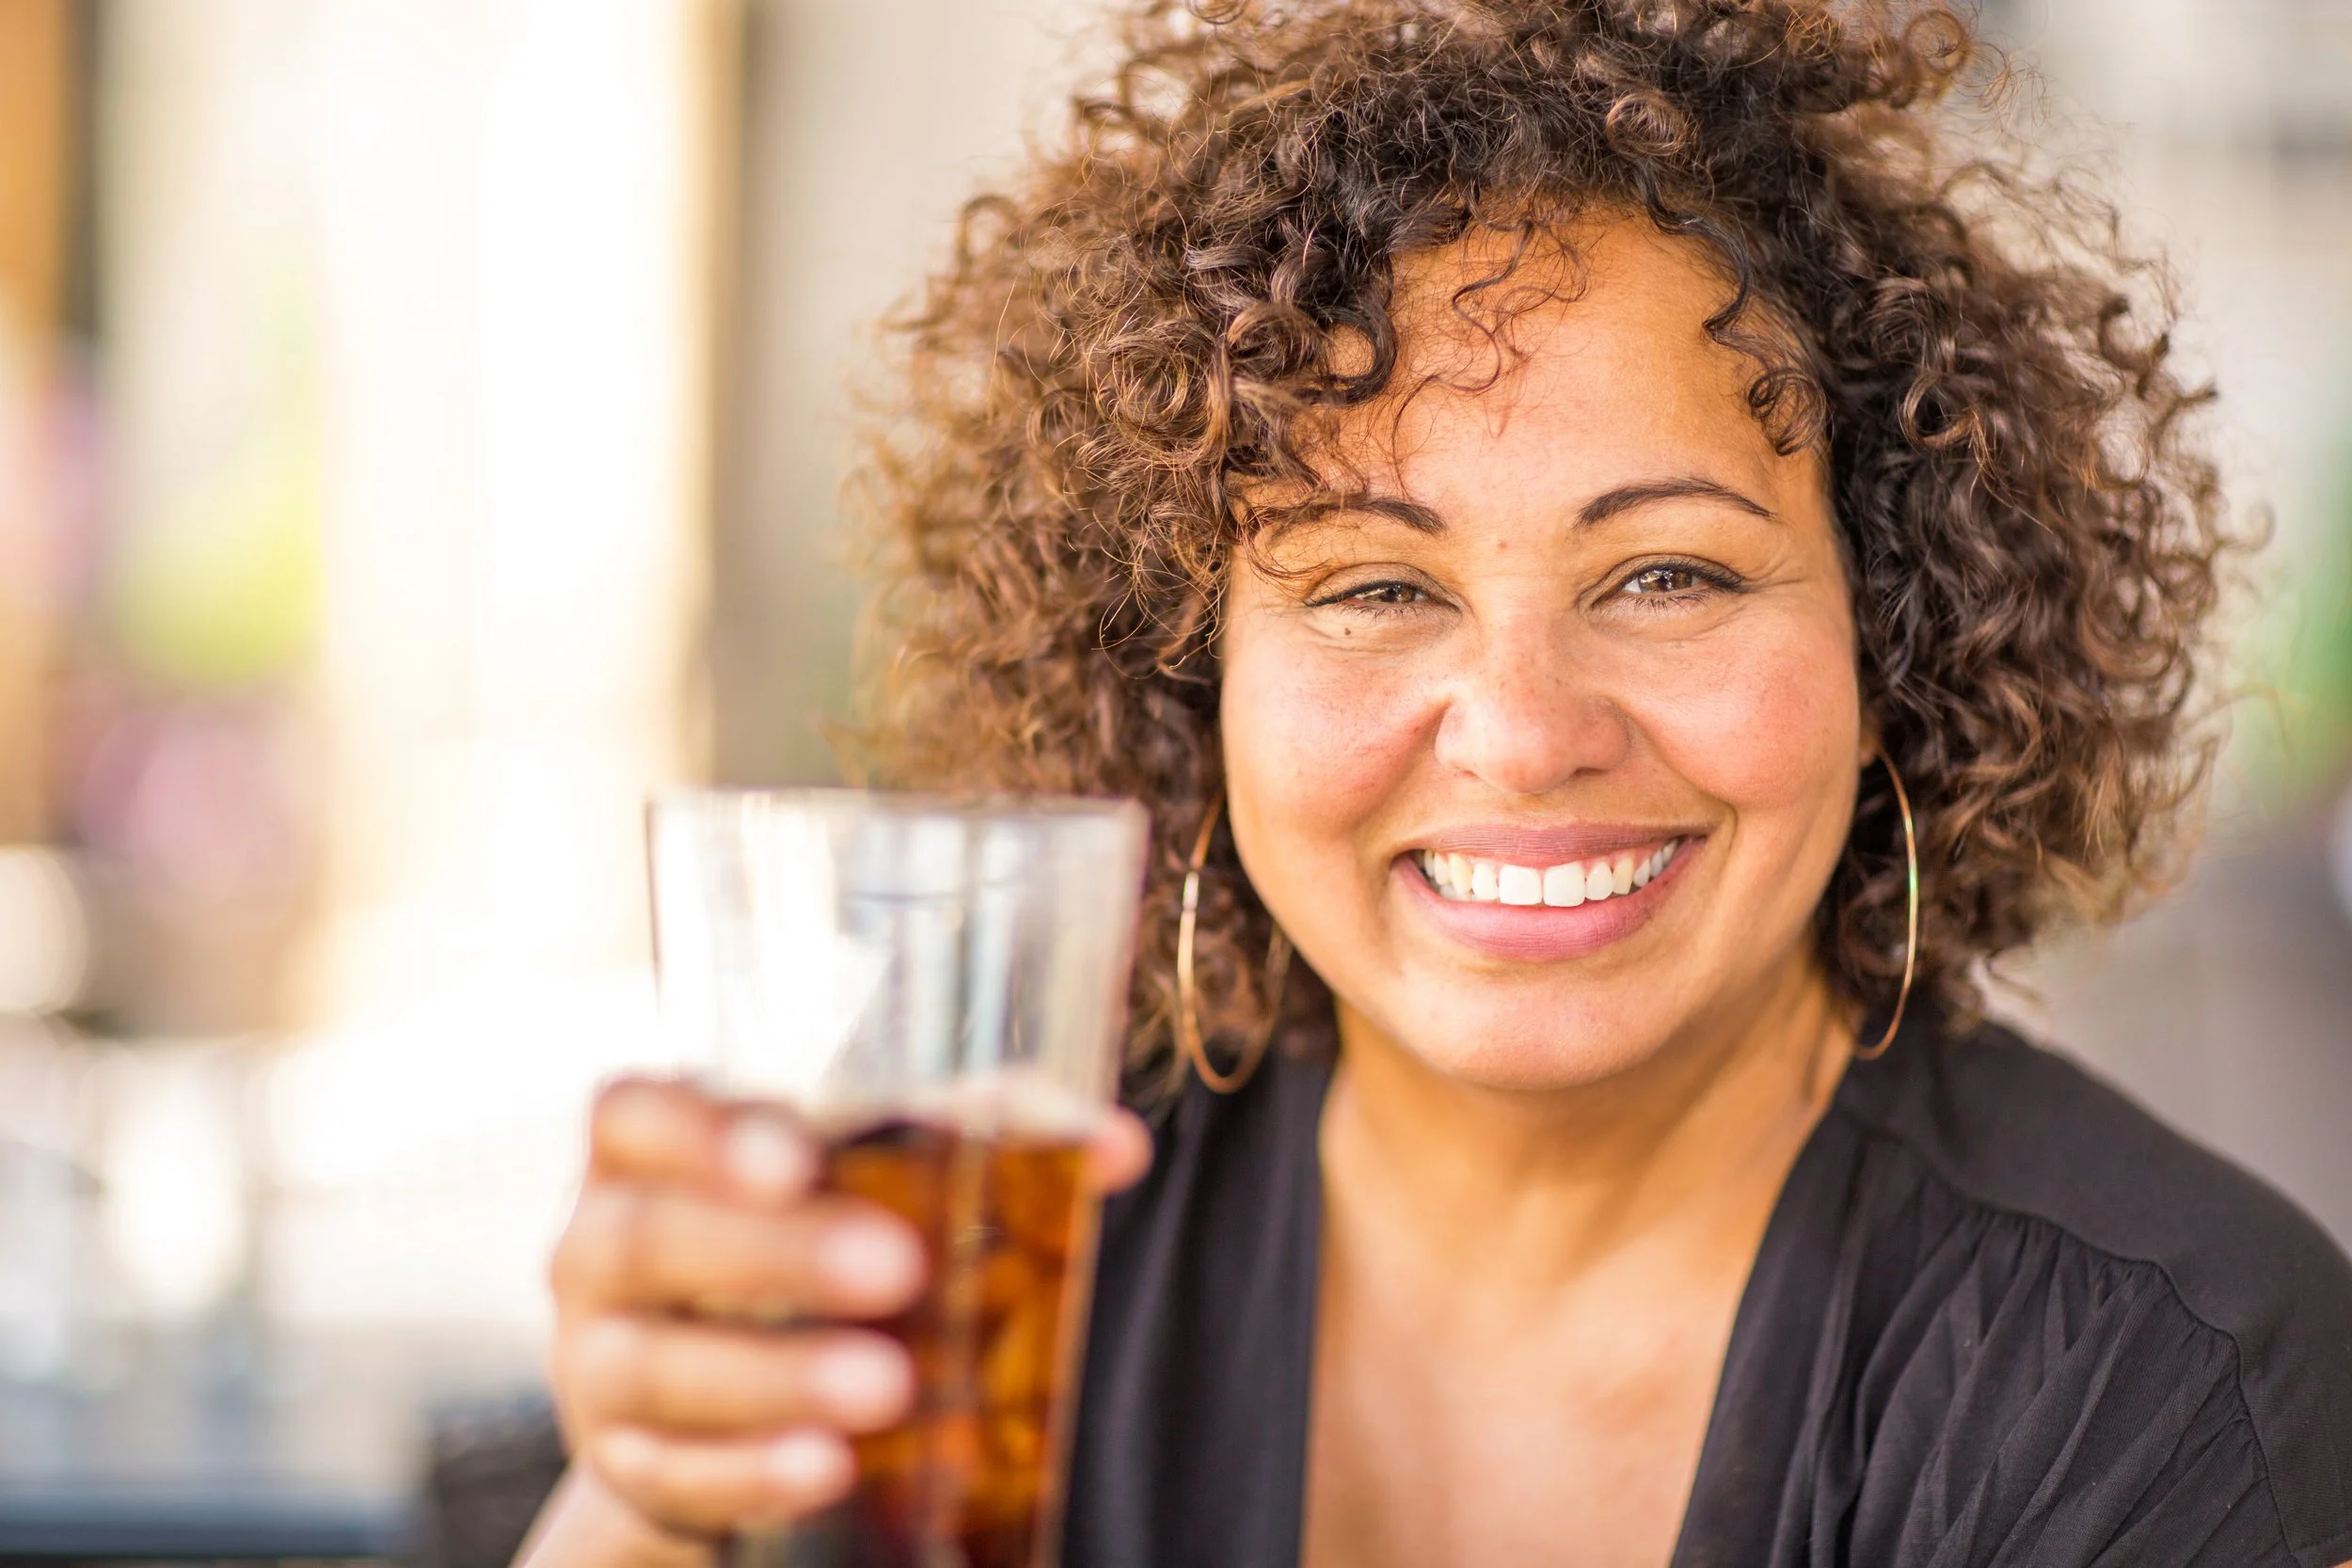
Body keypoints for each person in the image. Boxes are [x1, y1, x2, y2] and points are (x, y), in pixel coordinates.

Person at [517, 3, 2352, 1565]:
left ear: (1891, 633)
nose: (1521, 728)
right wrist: (650, 1496)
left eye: (1666, 574)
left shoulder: (2160, 1374)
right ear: (1192, 678)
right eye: (1373, 588)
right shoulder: (981, 1272)